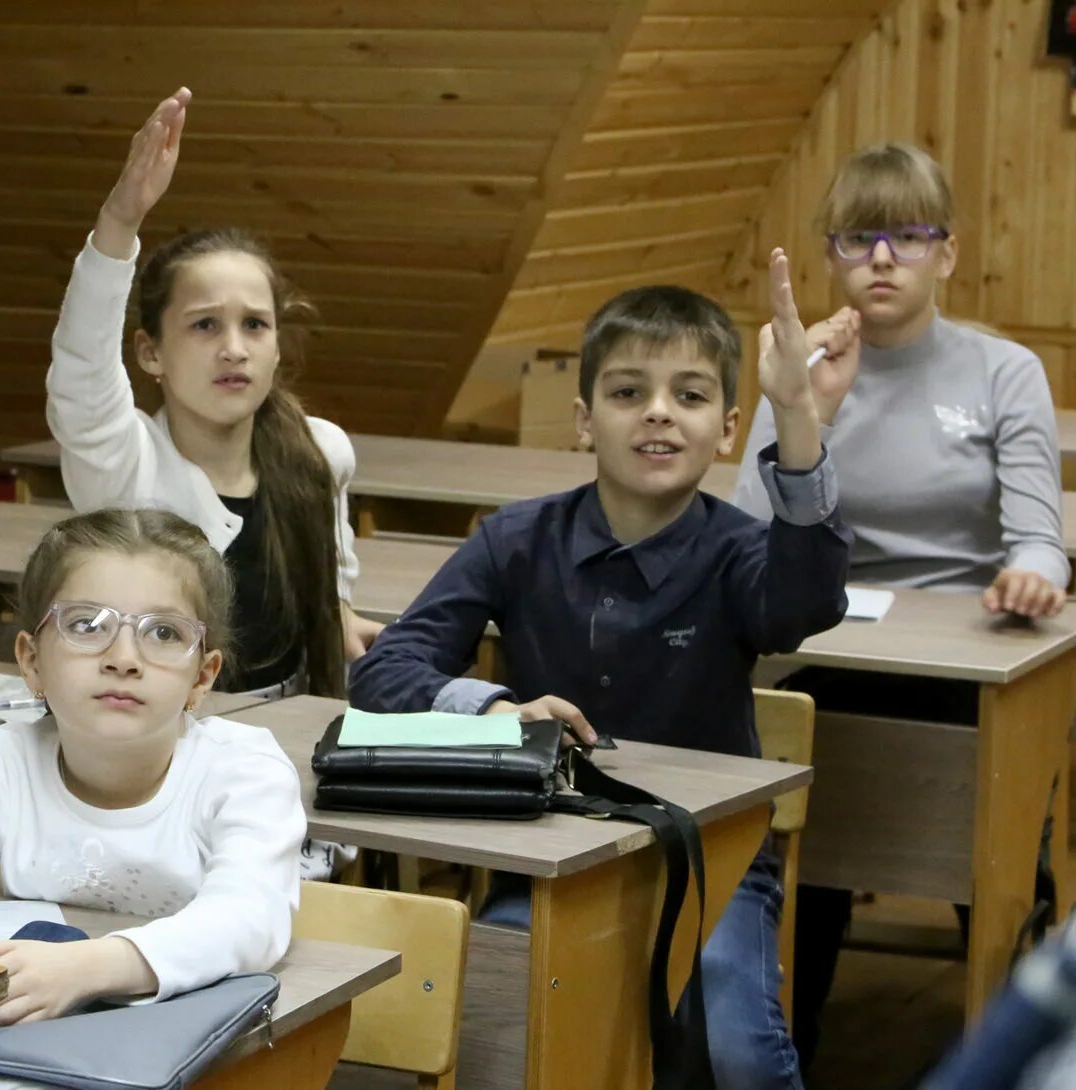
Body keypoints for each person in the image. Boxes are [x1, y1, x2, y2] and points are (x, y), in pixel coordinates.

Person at [349, 251, 854, 1089]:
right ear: (584, 420)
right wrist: (490, 708)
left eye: (690, 397)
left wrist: (796, 416)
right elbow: (389, 665)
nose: (658, 415)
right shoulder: (514, 539)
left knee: (737, 1051)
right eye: (628, 394)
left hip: (715, 860)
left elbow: (806, 604)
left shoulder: (736, 551)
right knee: (493, 1021)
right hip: (558, 857)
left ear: (729, 427)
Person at [730, 142, 1071, 1068]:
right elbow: (741, 539)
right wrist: (809, 408)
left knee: (987, 858)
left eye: (909, 237)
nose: (883, 259)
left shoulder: (1005, 373)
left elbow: (1040, 534)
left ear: (946, 256)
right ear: (831, 255)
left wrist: (1033, 575)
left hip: (967, 665)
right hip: (825, 660)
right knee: (801, 837)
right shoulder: (798, 366)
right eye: (858, 238)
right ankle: (782, 1047)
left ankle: (1009, 1053)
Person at [0, 508, 304, 1028]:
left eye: (163, 633)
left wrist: (88, 968)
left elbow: (248, 918)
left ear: (202, 677)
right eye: (87, 625)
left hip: (181, 1038)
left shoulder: (244, 770)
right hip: (30, 1035)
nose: (123, 657)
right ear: (31, 661)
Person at [46, 87, 379, 703]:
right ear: (151, 353)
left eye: (255, 325)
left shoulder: (319, 451)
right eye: (204, 325)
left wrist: (340, 616)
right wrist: (119, 223)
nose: (234, 348)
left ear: (278, 345)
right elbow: (80, 369)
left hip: (286, 735)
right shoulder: (127, 463)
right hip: (162, 739)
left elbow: (333, 586)